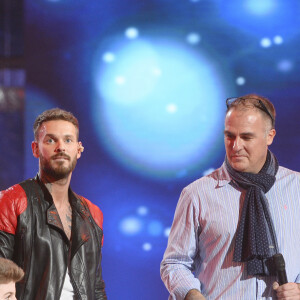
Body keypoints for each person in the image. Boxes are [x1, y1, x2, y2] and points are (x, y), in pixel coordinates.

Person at [160, 94, 300, 300]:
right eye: (230, 136)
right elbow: (174, 263)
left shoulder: (296, 187)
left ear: (270, 136)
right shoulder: (197, 194)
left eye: (246, 137)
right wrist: (191, 295)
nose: (236, 146)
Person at [0, 108, 107, 299]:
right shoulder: (12, 201)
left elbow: (96, 286)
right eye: (51, 140)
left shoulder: (92, 214)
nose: (61, 147)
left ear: (79, 149)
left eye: (68, 140)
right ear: (35, 148)